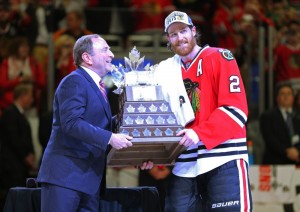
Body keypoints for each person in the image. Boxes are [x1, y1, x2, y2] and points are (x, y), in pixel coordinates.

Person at [36, 34, 153, 212]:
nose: (112, 54)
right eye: (105, 49)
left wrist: (136, 146)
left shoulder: (98, 86)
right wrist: (111, 137)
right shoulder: (74, 81)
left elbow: (102, 126)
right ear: (87, 57)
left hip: (90, 181)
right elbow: (72, 123)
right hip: (66, 178)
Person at [155, 11, 252, 211]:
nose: (179, 38)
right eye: (173, 34)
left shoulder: (219, 57)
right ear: (168, 39)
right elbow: (159, 117)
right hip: (184, 164)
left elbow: (236, 109)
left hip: (223, 158)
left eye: (183, 31)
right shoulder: (165, 70)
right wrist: (151, 153)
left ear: (193, 31)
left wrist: (199, 133)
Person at [0, 83, 36, 210]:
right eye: (30, 96)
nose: (32, 100)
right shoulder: (10, 113)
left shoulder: (19, 114)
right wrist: (27, 156)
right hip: (12, 168)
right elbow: (14, 139)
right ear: (23, 96)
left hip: (19, 167)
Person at [260, 84, 300, 164]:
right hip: (275, 161)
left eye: (289, 94)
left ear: (293, 97)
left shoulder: (298, 115)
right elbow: (270, 138)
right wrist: (287, 151)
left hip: (297, 161)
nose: (286, 96)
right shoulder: (267, 116)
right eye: (282, 94)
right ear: (277, 98)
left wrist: (298, 152)